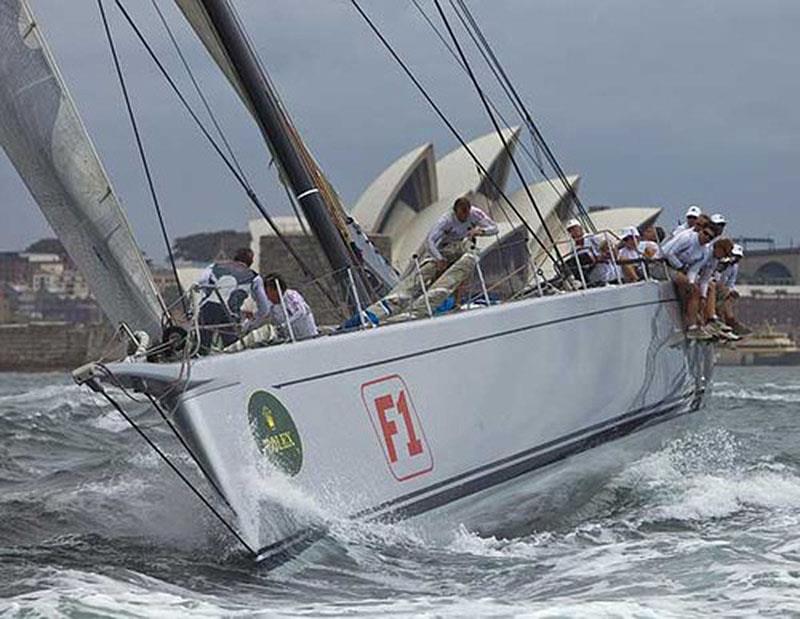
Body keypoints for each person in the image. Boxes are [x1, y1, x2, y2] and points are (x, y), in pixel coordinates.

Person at [195, 247, 269, 353]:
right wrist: (251, 323)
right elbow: (264, 309)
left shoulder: (213, 267)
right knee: (233, 350)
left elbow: (201, 283)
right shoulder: (254, 277)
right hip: (229, 314)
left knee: (201, 349)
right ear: (251, 262)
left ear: (234, 258)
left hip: (208, 309)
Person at [661, 224, 717, 339]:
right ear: (700, 231)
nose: (706, 237)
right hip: (663, 264)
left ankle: (692, 324)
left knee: (693, 290)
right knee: (689, 288)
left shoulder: (705, 251)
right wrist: (680, 267)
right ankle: (690, 325)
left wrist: (691, 282)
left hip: (680, 270)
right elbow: (669, 253)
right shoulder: (687, 238)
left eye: (710, 237)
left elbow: (694, 270)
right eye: (705, 233)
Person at [426, 196, 499, 272]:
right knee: (431, 269)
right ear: (455, 211)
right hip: (446, 247)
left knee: (470, 249)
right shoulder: (445, 221)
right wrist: (439, 258)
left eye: (467, 214)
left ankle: (465, 268)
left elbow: (495, 228)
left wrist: (482, 231)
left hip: (463, 243)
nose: (464, 217)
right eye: (461, 214)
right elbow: (430, 240)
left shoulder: (475, 213)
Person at [261, 273, 318, 340]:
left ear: (276, 290)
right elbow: (262, 316)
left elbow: (301, 311)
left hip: (309, 338)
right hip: (291, 342)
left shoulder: (291, 295)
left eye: (268, 293)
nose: (267, 297)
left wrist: (285, 325)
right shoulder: (272, 307)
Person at [564, 218, 599, 284]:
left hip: (597, 264)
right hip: (586, 268)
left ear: (580, 228)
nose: (573, 231)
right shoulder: (573, 247)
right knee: (568, 264)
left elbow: (603, 247)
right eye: (571, 230)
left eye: (575, 228)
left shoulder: (591, 237)